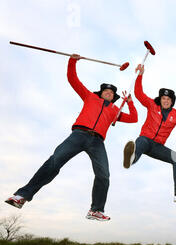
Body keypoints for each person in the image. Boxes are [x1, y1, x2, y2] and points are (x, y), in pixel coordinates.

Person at [5, 54, 138, 221]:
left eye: (112, 93)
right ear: (101, 92)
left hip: (97, 142)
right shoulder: (90, 97)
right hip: (79, 134)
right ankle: (22, 195)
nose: (109, 93)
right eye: (106, 91)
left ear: (114, 97)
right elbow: (73, 80)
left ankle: (96, 210)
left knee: (104, 174)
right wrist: (72, 61)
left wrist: (131, 102)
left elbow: (134, 118)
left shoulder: (114, 111)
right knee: (54, 161)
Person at [123, 64, 176, 202]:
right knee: (141, 142)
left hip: (158, 147)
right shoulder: (152, 105)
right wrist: (140, 75)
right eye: (163, 98)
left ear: (172, 101)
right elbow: (139, 94)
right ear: (160, 99)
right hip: (145, 139)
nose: (166, 101)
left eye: (168, 99)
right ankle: (131, 158)